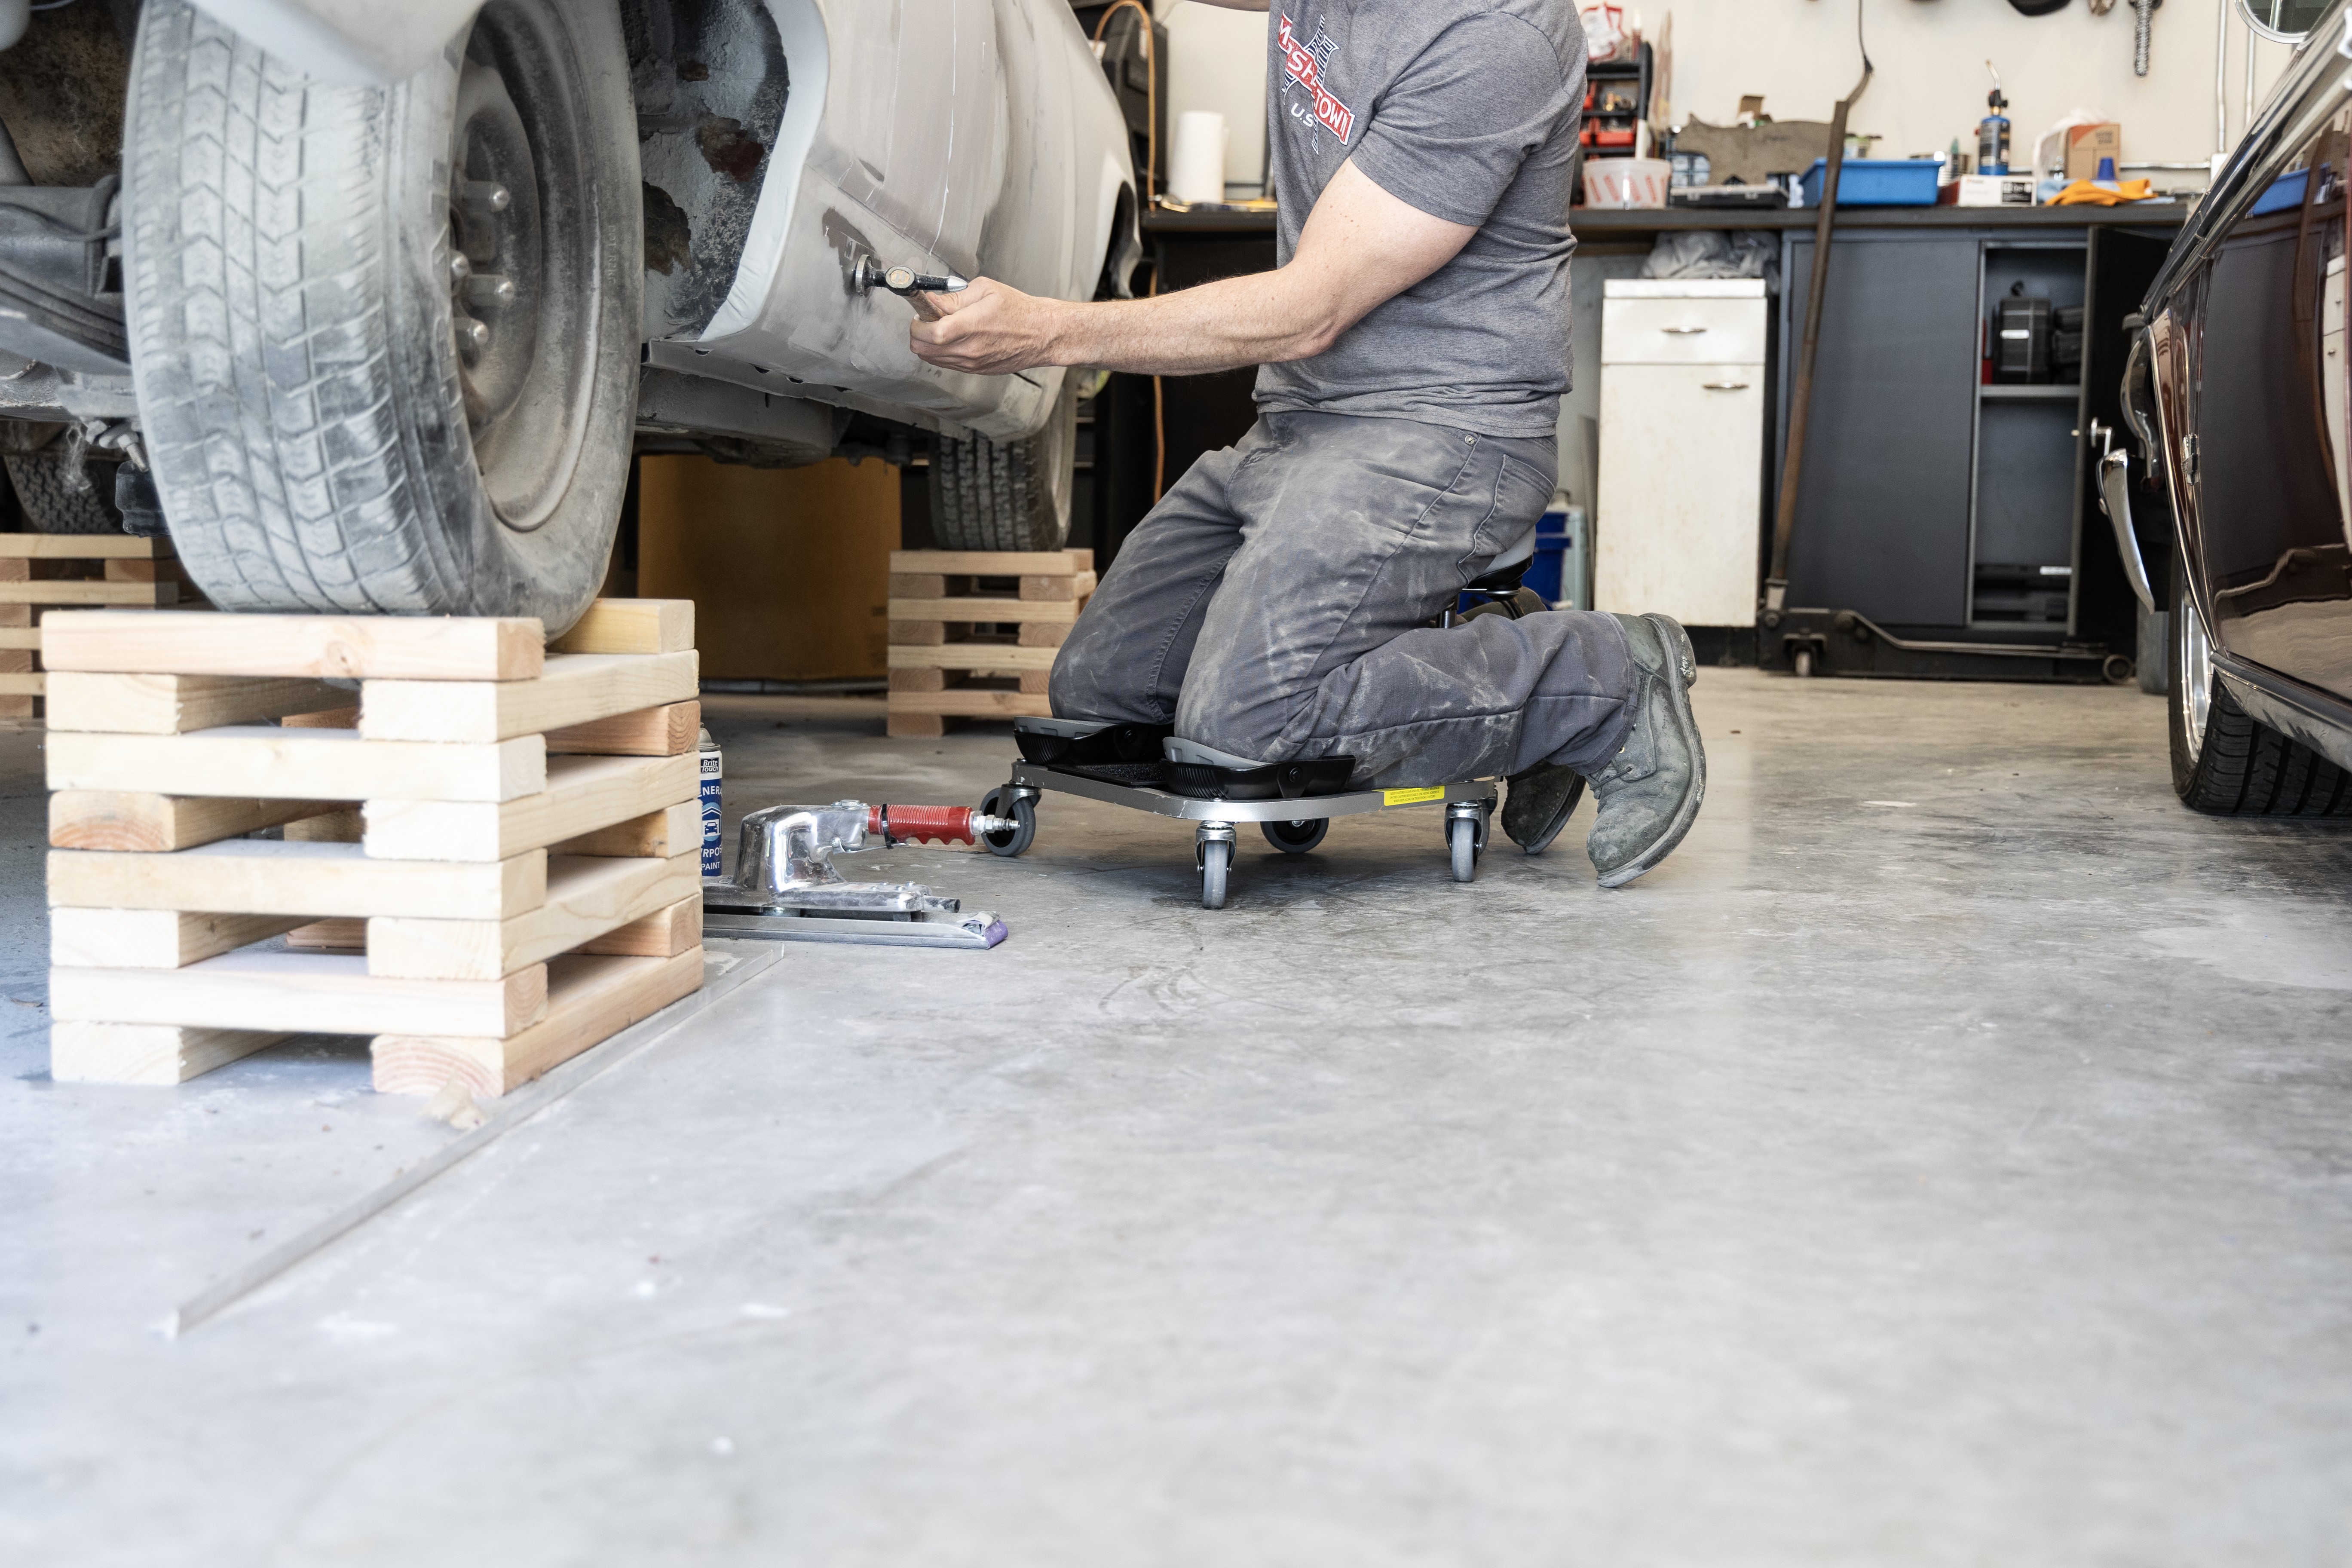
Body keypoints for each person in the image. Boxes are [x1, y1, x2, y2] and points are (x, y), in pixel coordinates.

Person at [908, 0, 1703, 888]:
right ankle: (1492, 657)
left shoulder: (1498, 32)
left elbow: (1310, 308)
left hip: (1450, 429)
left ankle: (1599, 678)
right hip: (1300, 425)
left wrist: (1046, 333)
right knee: (1103, 698)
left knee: (1251, 724)